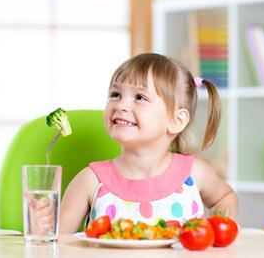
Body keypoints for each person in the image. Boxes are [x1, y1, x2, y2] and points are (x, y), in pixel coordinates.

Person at [59, 53, 238, 233]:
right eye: (115, 94)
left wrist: (220, 221)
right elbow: (59, 242)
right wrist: (43, 223)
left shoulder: (196, 173)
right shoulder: (90, 180)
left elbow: (225, 197)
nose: (121, 105)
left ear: (177, 120)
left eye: (140, 97)